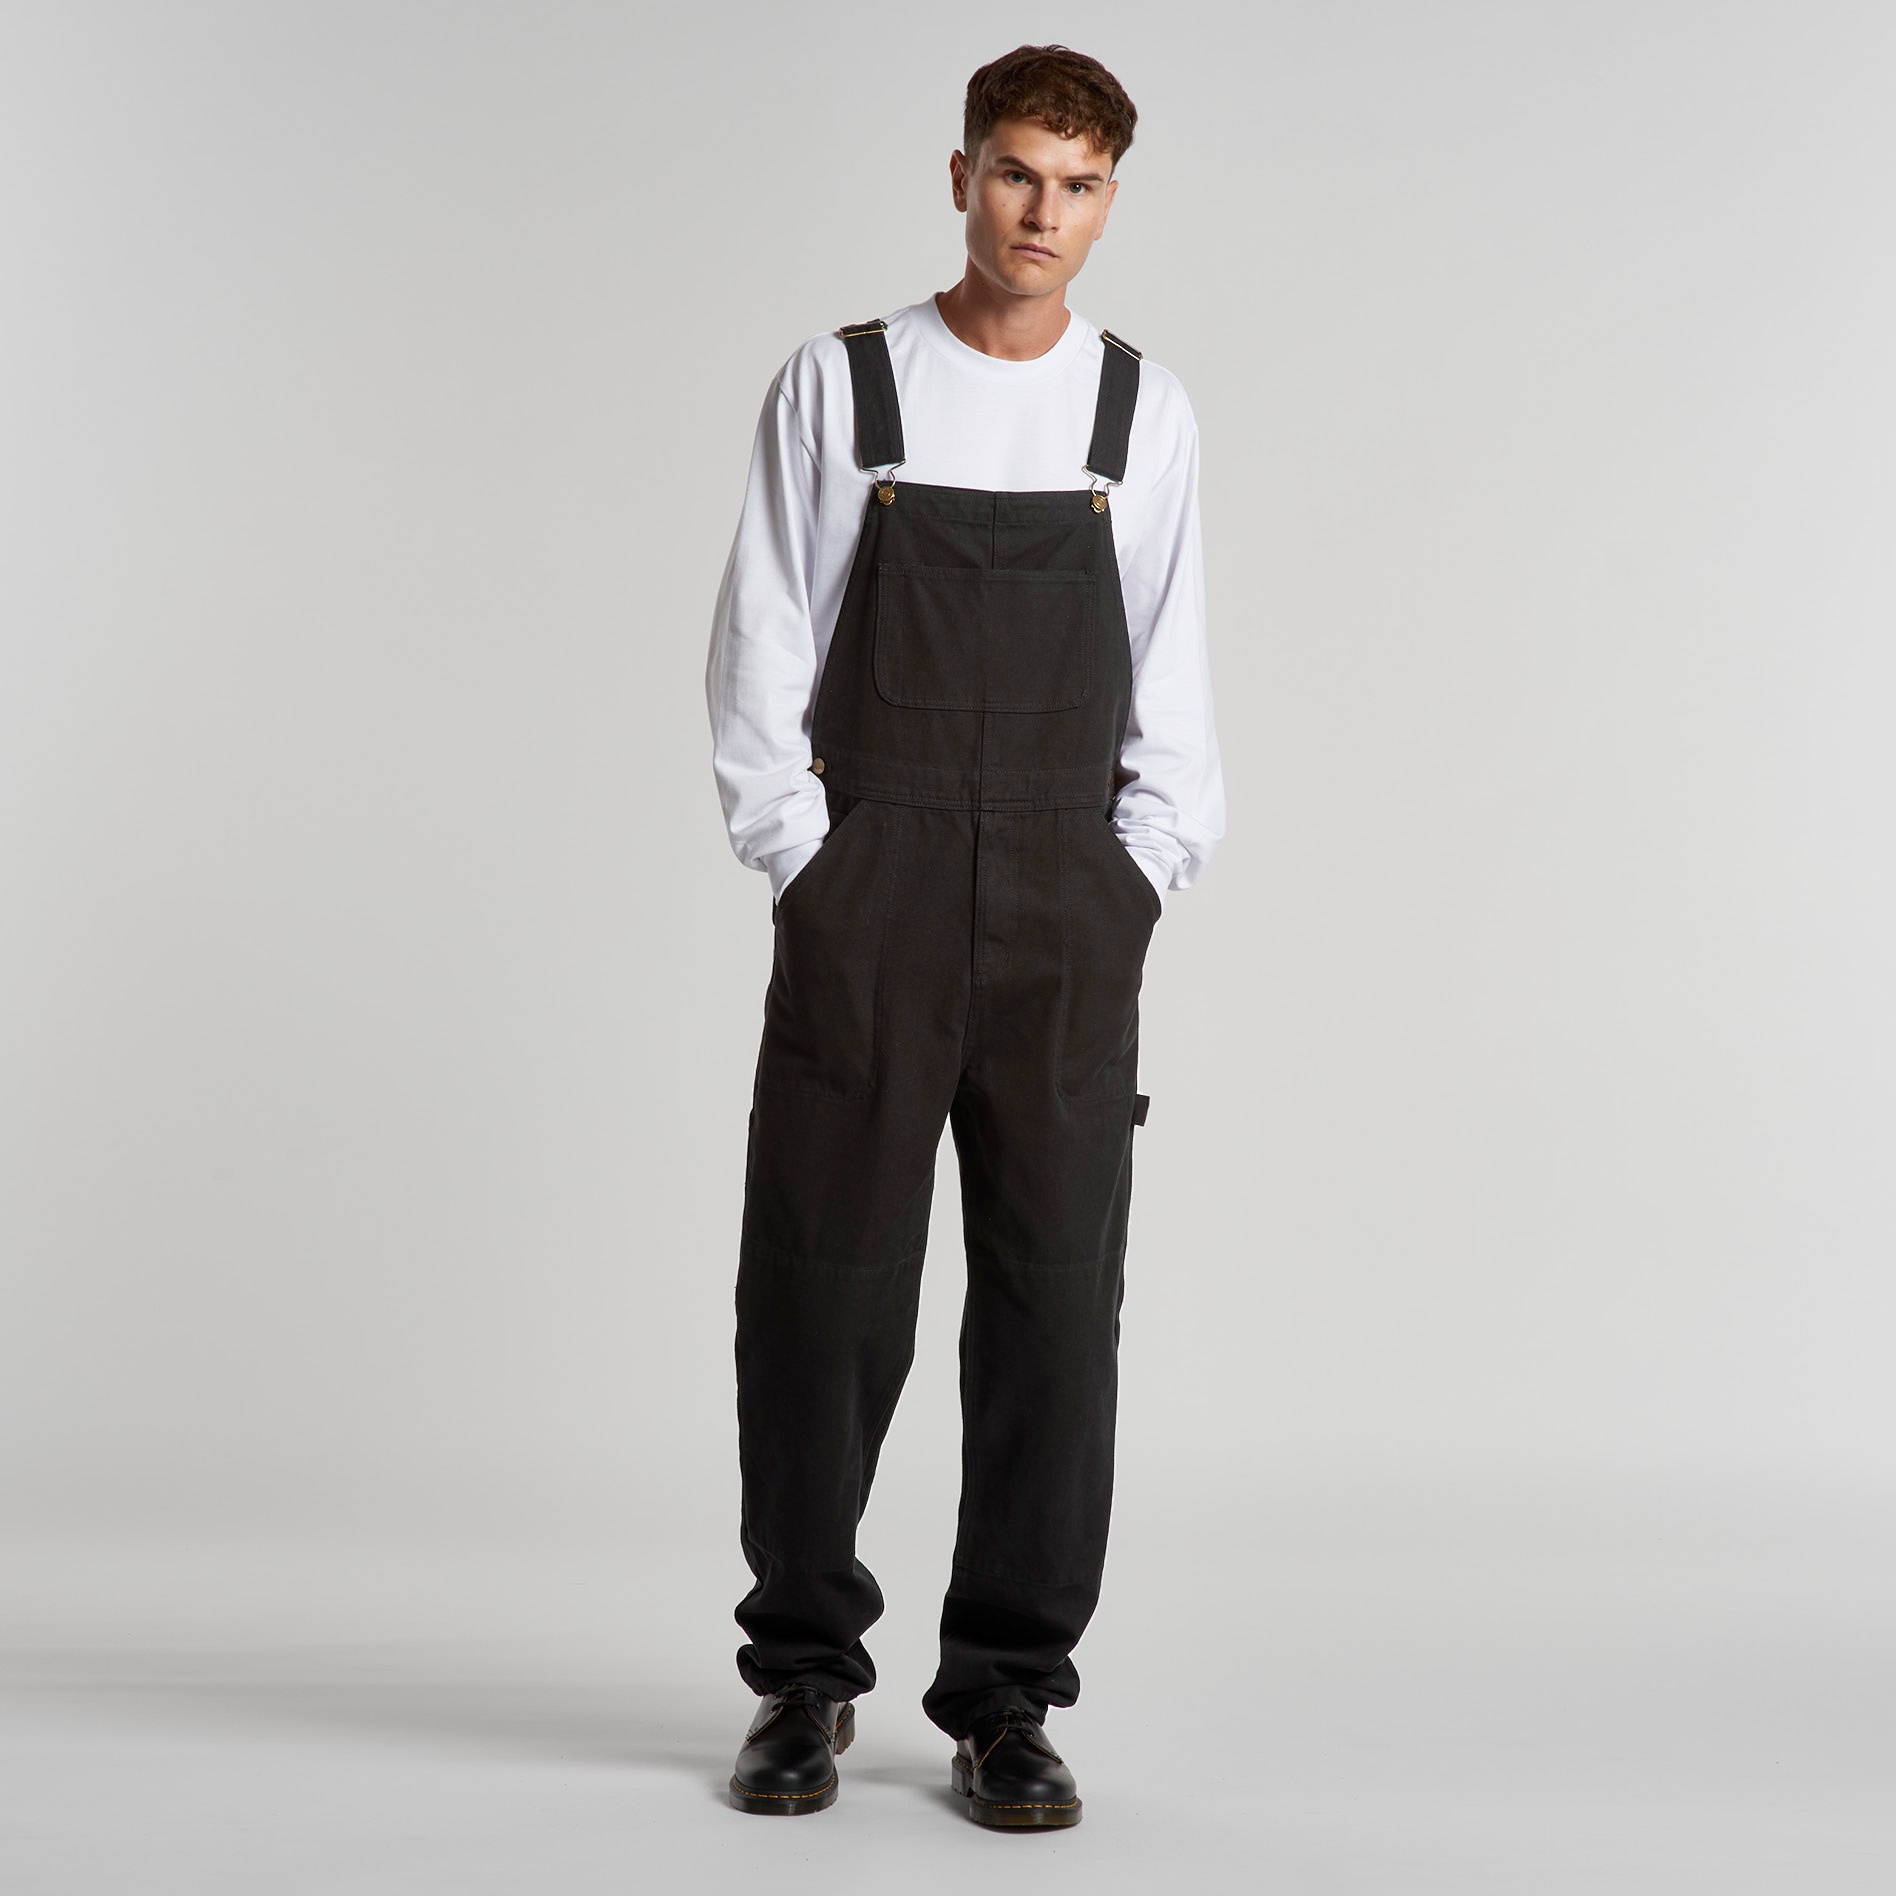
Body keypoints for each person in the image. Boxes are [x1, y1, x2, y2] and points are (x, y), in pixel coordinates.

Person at [704, 42, 1223, 1829]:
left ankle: (1008, 1700)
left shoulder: (1140, 411)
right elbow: (764, 643)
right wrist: (811, 862)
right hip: (877, 888)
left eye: (1077, 186)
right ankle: (802, 1677)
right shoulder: (844, 384)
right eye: (1015, 172)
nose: (1040, 213)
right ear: (960, 176)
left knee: (1056, 1307)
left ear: (1109, 201)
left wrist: (1137, 873)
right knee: (823, 1289)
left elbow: (1176, 673)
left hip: (1071, 902)